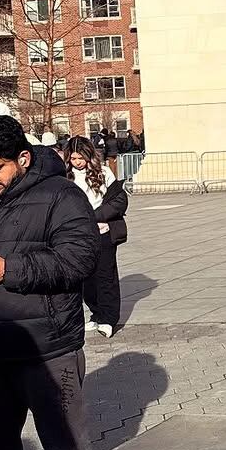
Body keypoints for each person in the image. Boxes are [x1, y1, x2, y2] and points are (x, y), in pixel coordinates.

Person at [0, 115, 100, 450]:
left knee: (66, 446)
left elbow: (78, 261)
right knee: (0, 447)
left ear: (21, 159)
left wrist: (7, 270)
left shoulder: (62, 195)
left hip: (49, 346)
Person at [65, 135, 128, 337]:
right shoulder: (65, 176)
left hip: (102, 231)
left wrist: (96, 217)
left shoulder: (103, 172)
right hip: (78, 235)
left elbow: (118, 200)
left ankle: (108, 318)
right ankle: (95, 313)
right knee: (86, 279)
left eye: (80, 158)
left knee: (105, 276)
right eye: (73, 158)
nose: (77, 162)